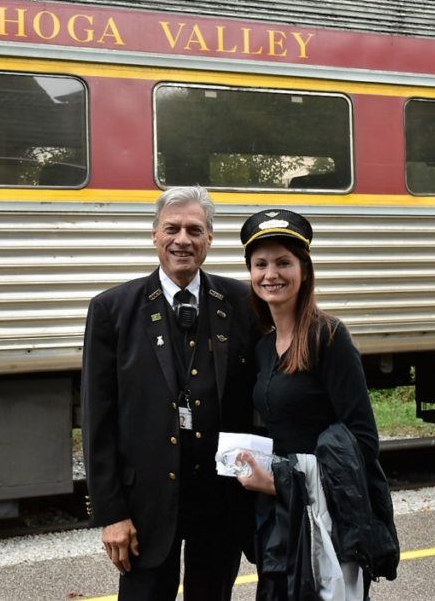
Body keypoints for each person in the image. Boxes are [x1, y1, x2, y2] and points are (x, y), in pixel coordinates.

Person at [81, 186, 257, 601]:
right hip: (144, 509)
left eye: (195, 230)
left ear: (210, 239)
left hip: (219, 504)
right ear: (154, 235)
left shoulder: (242, 302)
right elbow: (98, 419)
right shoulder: (112, 310)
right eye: (172, 229)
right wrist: (112, 514)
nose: (183, 240)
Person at [235, 209, 398, 600]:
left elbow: (362, 441)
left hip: (328, 520)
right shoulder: (262, 347)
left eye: (283, 263)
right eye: (261, 264)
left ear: (304, 271)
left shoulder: (330, 337)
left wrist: (283, 477)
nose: (270, 274)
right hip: (282, 516)